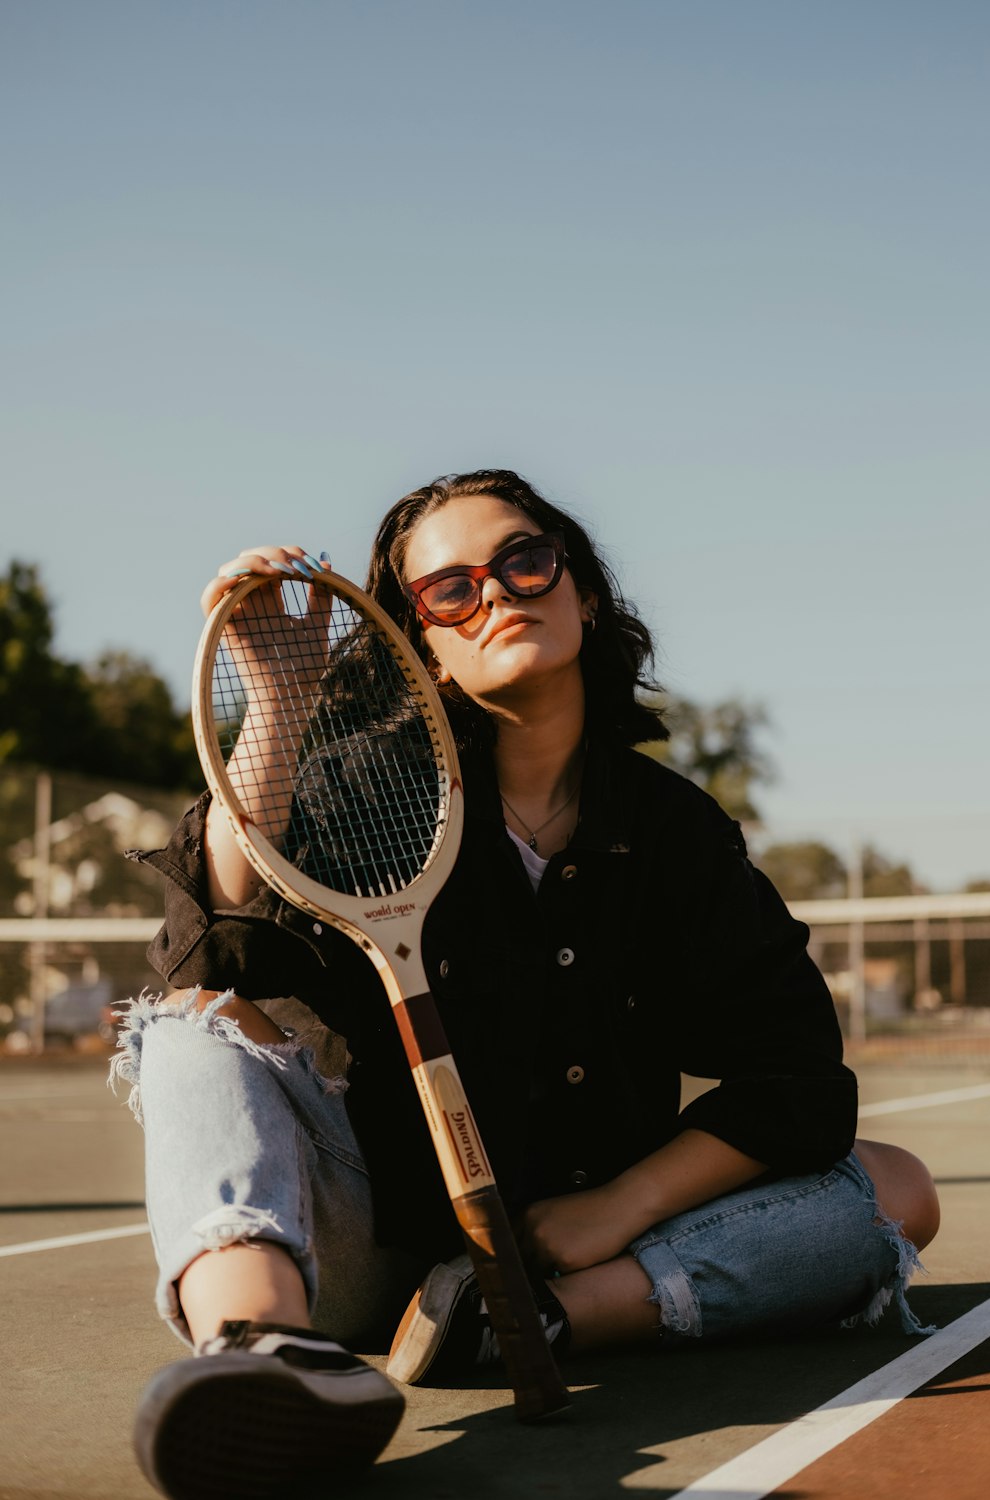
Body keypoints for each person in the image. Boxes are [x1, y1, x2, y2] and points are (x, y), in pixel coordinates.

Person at [113, 468, 940, 1499]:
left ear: (582, 592)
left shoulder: (674, 831)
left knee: (894, 1189)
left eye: (523, 560)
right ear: (426, 648)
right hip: (372, 1235)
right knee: (186, 1030)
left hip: (583, 1238)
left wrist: (618, 1208)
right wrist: (278, 700)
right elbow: (222, 955)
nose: (495, 593)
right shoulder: (368, 786)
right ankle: (266, 1352)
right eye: (448, 589)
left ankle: (526, 1323)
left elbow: (799, 1080)